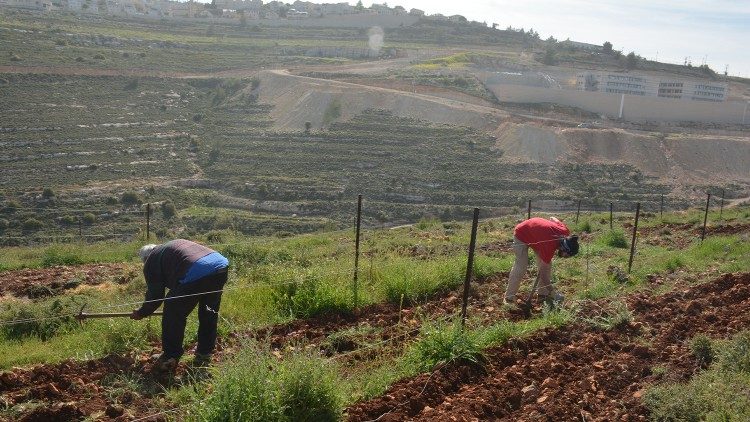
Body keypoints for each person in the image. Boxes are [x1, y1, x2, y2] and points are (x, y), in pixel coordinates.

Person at [132, 239, 229, 371]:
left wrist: (141, 312)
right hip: (220, 266)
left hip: (198, 271)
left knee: (173, 311)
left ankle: (171, 355)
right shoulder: (173, 245)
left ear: (145, 258)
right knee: (209, 312)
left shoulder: (152, 260)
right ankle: (204, 353)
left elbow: (155, 296)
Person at [505, 217, 578, 305]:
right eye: (567, 255)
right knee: (521, 266)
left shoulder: (565, 232)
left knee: (546, 266)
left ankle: (542, 295)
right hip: (522, 233)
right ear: (564, 248)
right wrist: (553, 293)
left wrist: (544, 228)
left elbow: (553, 218)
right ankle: (509, 298)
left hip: (537, 238)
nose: (565, 257)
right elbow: (543, 274)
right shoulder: (549, 246)